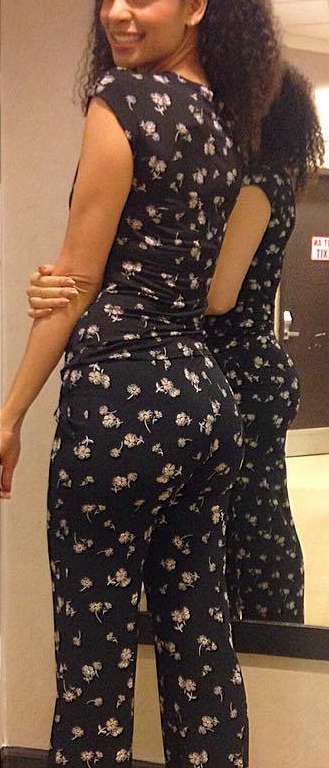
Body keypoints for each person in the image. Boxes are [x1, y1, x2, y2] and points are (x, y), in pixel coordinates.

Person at [0, 0, 279, 768]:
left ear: (196, 4)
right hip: (202, 407)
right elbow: (201, 290)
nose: (117, 13)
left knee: (95, 675)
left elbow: (73, 285)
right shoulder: (221, 123)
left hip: (118, 407)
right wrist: (89, 282)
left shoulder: (120, 103)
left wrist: (12, 407)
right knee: (203, 660)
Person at [28, 65, 323, 627]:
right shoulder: (261, 179)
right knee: (251, 512)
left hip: (242, 364)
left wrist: (136, 271)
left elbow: (218, 294)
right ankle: (262, 626)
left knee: (256, 518)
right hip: (244, 365)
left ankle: (274, 629)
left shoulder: (257, 184)